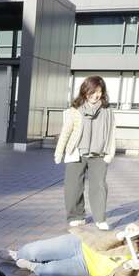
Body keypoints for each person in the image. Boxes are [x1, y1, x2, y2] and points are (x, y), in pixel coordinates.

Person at [9, 225, 139, 276]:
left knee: (49, 274)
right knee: (32, 251)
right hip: (82, 244)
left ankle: (33, 266)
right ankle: (18, 255)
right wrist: (120, 236)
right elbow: (100, 246)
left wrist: (129, 267)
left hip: (87, 268)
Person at [56, 75, 117, 230]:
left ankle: (100, 219)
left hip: (99, 154)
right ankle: (76, 216)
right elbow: (66, 131)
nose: (96, 95)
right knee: (73, 187)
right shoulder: (75, 110)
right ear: (85, 91)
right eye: (93, 91)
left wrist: (110, 153)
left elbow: (112, 133)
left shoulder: (107, 111)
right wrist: (59, 151)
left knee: (99, 186)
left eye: (99, 91)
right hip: (76, 152)